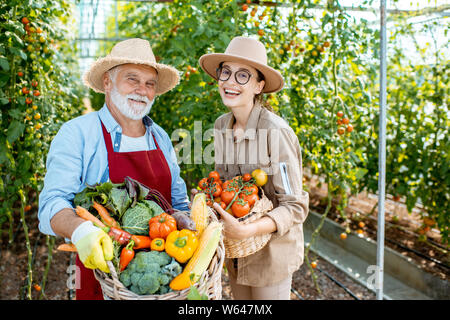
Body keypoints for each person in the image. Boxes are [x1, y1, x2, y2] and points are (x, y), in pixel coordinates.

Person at [38, 38, 190, 300]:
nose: (142, 90)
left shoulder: (161, 137)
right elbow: (52, 202)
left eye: (149, 83)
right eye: (132, 79)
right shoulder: (77, 134)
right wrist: (79, 229)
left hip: (166, 277)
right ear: (107, 82)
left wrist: (187, 219)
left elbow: (178, 200)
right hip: (105, 275)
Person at [198, 36, 309, 300]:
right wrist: (208, 197)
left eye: (243, 76)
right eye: (226, 72)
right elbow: (224, 184)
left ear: (259, 86)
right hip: (237, 252)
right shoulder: (221, 126)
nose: (230, 82)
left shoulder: (276, 132)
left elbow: (295, 206)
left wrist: (247, 230)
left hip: (271, 256)